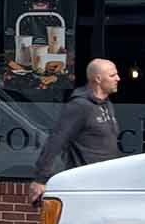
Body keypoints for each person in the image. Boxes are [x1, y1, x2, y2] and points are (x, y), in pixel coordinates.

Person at [28, 58, 122, 204]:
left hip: (107, 183)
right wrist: (41, 179)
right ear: (98, 79)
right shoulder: (79, 106)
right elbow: (57, 140)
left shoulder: (107, 105)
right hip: (86, 185)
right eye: (112, 75)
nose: (118, 78)